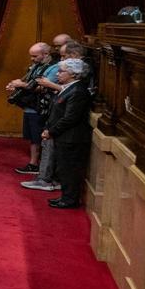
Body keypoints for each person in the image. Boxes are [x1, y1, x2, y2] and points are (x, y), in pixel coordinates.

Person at [42, 58, 92, 209]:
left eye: (62, 71)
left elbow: (70, 118)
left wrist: (51, 131)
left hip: (71, 138)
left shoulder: (77, 91)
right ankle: (65, 196)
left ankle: (69, 199)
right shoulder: (69, 87)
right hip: (64, 137)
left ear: (74, 74)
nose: (58, 74)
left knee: (69, 170)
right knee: (63, 169)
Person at [5, 42, 58, 175]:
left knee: (37, 137)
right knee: (32, 137)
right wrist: (15, 85)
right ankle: (33, 163)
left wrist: (21, 84)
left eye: (34, 56)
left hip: (40, 107)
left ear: (45, 54)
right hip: (29, 106)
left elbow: (43, 87)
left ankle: (35, 164)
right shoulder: (36, 66)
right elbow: (28, 81)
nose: (32, 59)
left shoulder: (53, 67)